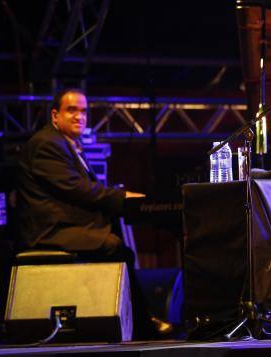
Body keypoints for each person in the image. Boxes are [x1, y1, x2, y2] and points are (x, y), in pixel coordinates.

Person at [16, 88, 166, 338]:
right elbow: (80, 190)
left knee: (115, 236)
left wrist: (121, 198)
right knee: (114, 246)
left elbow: (84, 190)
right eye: (71, 110)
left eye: (84, 111)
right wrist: (123, 197)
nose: (79, 116)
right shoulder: (47, 144)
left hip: (65, 225)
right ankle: (137, 324)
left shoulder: (66, 144)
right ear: (55, 115)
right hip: (50, 230)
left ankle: (133, 319)